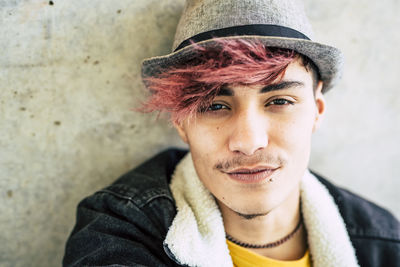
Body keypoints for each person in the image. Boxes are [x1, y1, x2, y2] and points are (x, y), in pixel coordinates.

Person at [63, 0, 400, 266]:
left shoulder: (384, 241)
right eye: (214, 106)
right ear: (180, 121)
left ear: (317, 111)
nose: (249, 142)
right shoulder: (118, 235)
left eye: (280, 101)